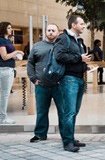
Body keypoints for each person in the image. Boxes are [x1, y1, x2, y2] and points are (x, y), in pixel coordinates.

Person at [55, 14, 91, 153]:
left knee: (74, 112)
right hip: (69, 79)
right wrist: (79, 58)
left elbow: (76, 59)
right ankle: (67, 142)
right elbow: (59, 56)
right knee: (69, 112)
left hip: (79, 78)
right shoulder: (63, 38)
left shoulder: (78, 40)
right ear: (73, 25)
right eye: (81, 24)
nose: (83, 26)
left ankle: (70, 137)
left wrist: (83, 65)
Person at [27, 23, 63, 143]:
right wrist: (33, 78)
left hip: (59, 85)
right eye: (49, 30)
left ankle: (66, 135)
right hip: (42, 85)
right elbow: (30, 63)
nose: (51, 32)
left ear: (58, 32)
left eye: (53, 30)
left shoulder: (62, 46)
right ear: (45, 32)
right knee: (42, 111)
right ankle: (40, 134)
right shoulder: (37, 46)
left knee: (63, 111)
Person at [0, 21, 22, 124]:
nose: (11, 29)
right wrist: (17, 52)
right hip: (4, 69)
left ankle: (3, 116)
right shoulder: (1, 40)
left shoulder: (7, 40)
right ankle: (2, 118)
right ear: (4, 29)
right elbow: (4, 56)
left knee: (6, 94)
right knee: (5, 95)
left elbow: (9, 55)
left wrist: (15, 56)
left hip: (9, 69)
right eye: (9, 28)